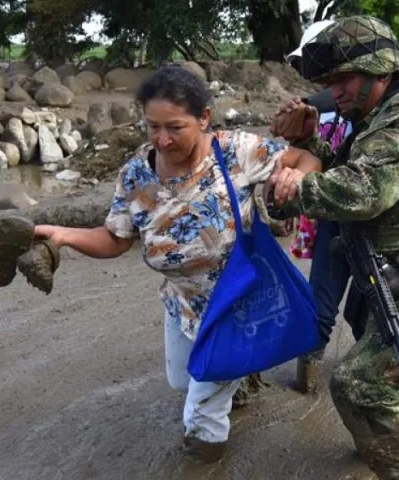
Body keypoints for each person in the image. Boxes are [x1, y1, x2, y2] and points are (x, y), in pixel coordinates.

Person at [31, 66, 322, 464]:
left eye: (175, 127)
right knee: (181, 380)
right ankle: (238, 376)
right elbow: (115, 239)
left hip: (233, 298)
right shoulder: (136, 173)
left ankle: (204, 454)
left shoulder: (235, 151)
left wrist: (293, 176)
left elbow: (306, 158)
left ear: (204, 119)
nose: (162, 139)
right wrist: (63, 235)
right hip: (181, 300)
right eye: (152, 127)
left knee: (201, 408)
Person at [269, 16, 399, 479]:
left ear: (381, 72)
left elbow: (366, 190)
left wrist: (291, 187)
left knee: (360, 384)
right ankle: (379, 442)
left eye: (345, 79)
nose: (335, 91)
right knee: (379, 372)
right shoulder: (376, 117)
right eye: (329, 81)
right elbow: (350, 163)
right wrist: (305, 140)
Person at [284, 21, 355, 394]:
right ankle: (307, 380)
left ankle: (312, 383)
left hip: (363, 225)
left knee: (347, 309)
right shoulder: (323, 107)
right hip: (334, 218)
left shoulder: (328, 105)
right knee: (324, 308)